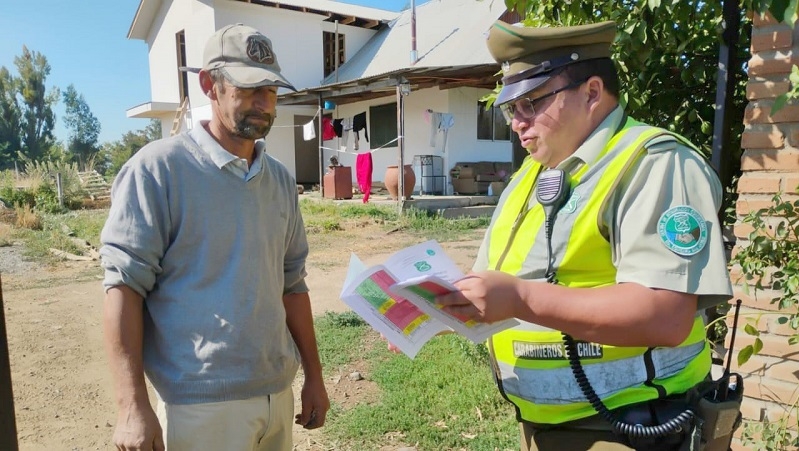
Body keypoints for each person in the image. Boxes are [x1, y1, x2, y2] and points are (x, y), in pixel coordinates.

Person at [398, 20, 734, 451]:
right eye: (511, 109)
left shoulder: (653, 164)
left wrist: (521, 299)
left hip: (632, 426)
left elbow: (666, 314)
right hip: (547, 427)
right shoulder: (529, 178)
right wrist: (436, 310)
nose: (518, 123)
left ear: (592, 92)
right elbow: (500, 286)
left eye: (532, 104)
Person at [100, 24, 329, 451]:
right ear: (210, 85)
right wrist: (131, 405)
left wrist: (313, 377)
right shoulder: (158, 171)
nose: (264, 103)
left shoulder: (279, 180)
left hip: (275, 396)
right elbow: (124, 287)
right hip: (199, 408)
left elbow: (292, 284)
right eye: (248, 89)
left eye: (272, 90)